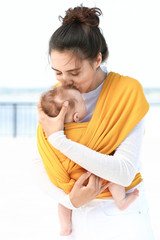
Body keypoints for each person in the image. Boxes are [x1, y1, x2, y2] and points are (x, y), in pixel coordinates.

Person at [33, 5, 155, 240]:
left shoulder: (126, 92)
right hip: (78, 216)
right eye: (57, 72)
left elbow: (123, 172)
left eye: (74, 72)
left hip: (124, 217)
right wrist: (68, 200)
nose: (65, 81)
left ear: (97, 59)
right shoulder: (58, 97)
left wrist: (59, 139)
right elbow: (40, 161)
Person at [40, 84, 140, 236]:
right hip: (91, 178)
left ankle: (65, 227)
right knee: (114, 176)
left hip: (70, 185)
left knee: (63, 202)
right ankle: (122, 201)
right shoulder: (87, 131)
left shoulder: (50, 135)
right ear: (76, 116)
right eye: (83, 102)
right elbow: (107, 151)